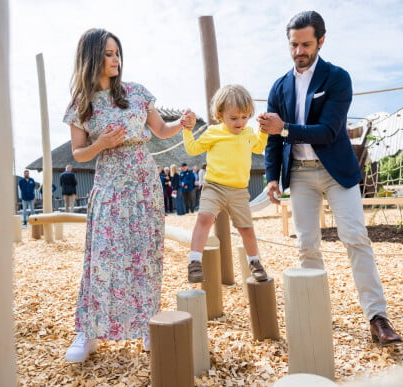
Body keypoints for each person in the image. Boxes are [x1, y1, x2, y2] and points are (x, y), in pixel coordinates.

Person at [257, 11, 403, 346]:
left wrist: (286, 128)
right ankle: (313, 313)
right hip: (301, 175)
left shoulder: (338, 78)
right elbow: (272, 139)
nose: (299, 51)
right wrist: (271, 178)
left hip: (338, 172)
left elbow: (329, 130)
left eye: (306, 44)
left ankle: (377, 317)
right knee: (306, 244)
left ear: (321, 40)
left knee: (355, 238)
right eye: (293, 45)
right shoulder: (279, 86)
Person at [62, 28, 196, 363]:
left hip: (143, 182)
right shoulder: (82, 103)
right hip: (109, 182)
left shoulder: (136, 93)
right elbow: (78, 154)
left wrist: (182, 121)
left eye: (117, 53)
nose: (115, 59)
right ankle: (88, 330)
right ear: (91, 57)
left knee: (145, 256)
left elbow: (161, 130)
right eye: (107, 54)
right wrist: (100, 144)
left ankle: (147, 324)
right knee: (103, 257)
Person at [183, 84, 268, 283]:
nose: (240, 122)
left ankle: (254, 261)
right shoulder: (213, 132)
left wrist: (263, 131)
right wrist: (187, 130)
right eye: (234, 118)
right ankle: (195, 260)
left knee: (246, 228)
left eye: (245, 116)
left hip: (239, 190)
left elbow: (259, 147)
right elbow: (193, 149)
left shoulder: (248, 133)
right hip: (214, 186)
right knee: (204, 217)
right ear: (221, 114)